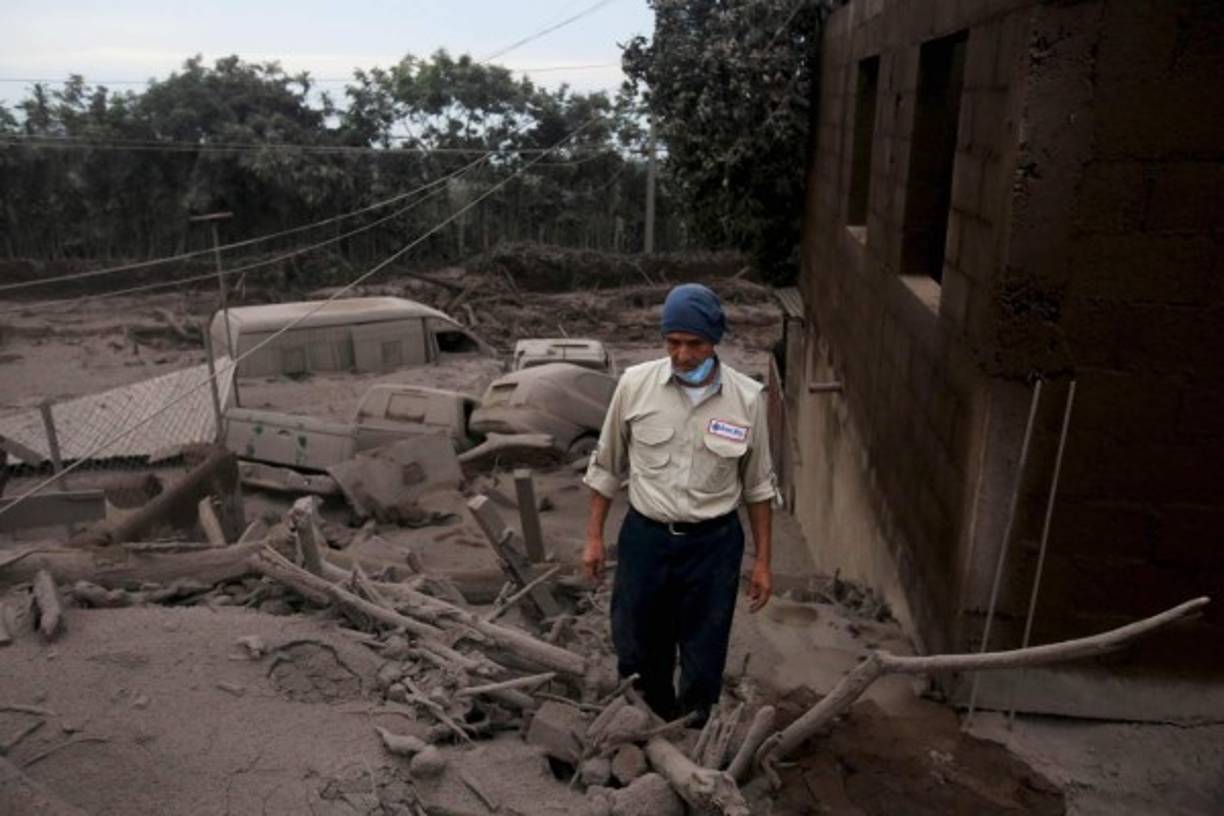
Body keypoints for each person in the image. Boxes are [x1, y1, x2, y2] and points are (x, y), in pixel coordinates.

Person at [582, 283, 776, 725]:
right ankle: (646, 729)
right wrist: (593, 537)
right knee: (637, 647)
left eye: (695, 344)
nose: (683, 355)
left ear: (715, 341)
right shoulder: (635, 386)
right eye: (673, 343)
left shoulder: (747, 399)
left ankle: (691, 734)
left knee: (704, 653)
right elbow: (607, 465)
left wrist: (763, 562)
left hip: (713, 546)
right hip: (646, 540)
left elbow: (759, 487)